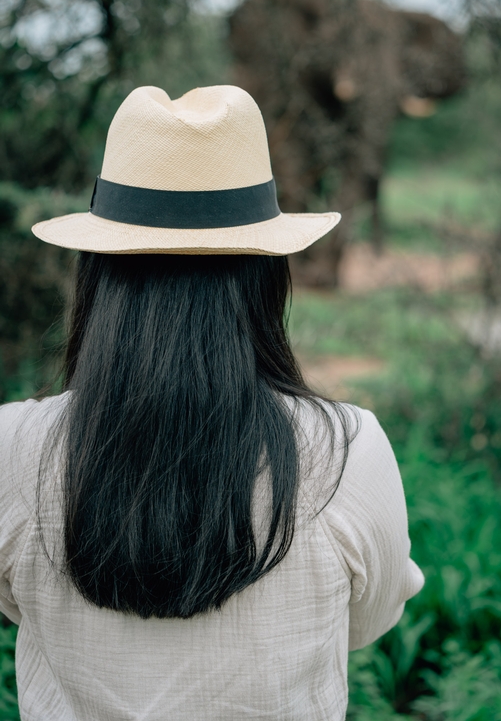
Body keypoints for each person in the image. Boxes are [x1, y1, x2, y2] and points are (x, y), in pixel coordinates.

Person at [0, 84, 424, 721]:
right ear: (267, 273)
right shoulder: (348, 450)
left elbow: (17, 601)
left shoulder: (13, 447)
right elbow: (368, 618)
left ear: (97, 269)